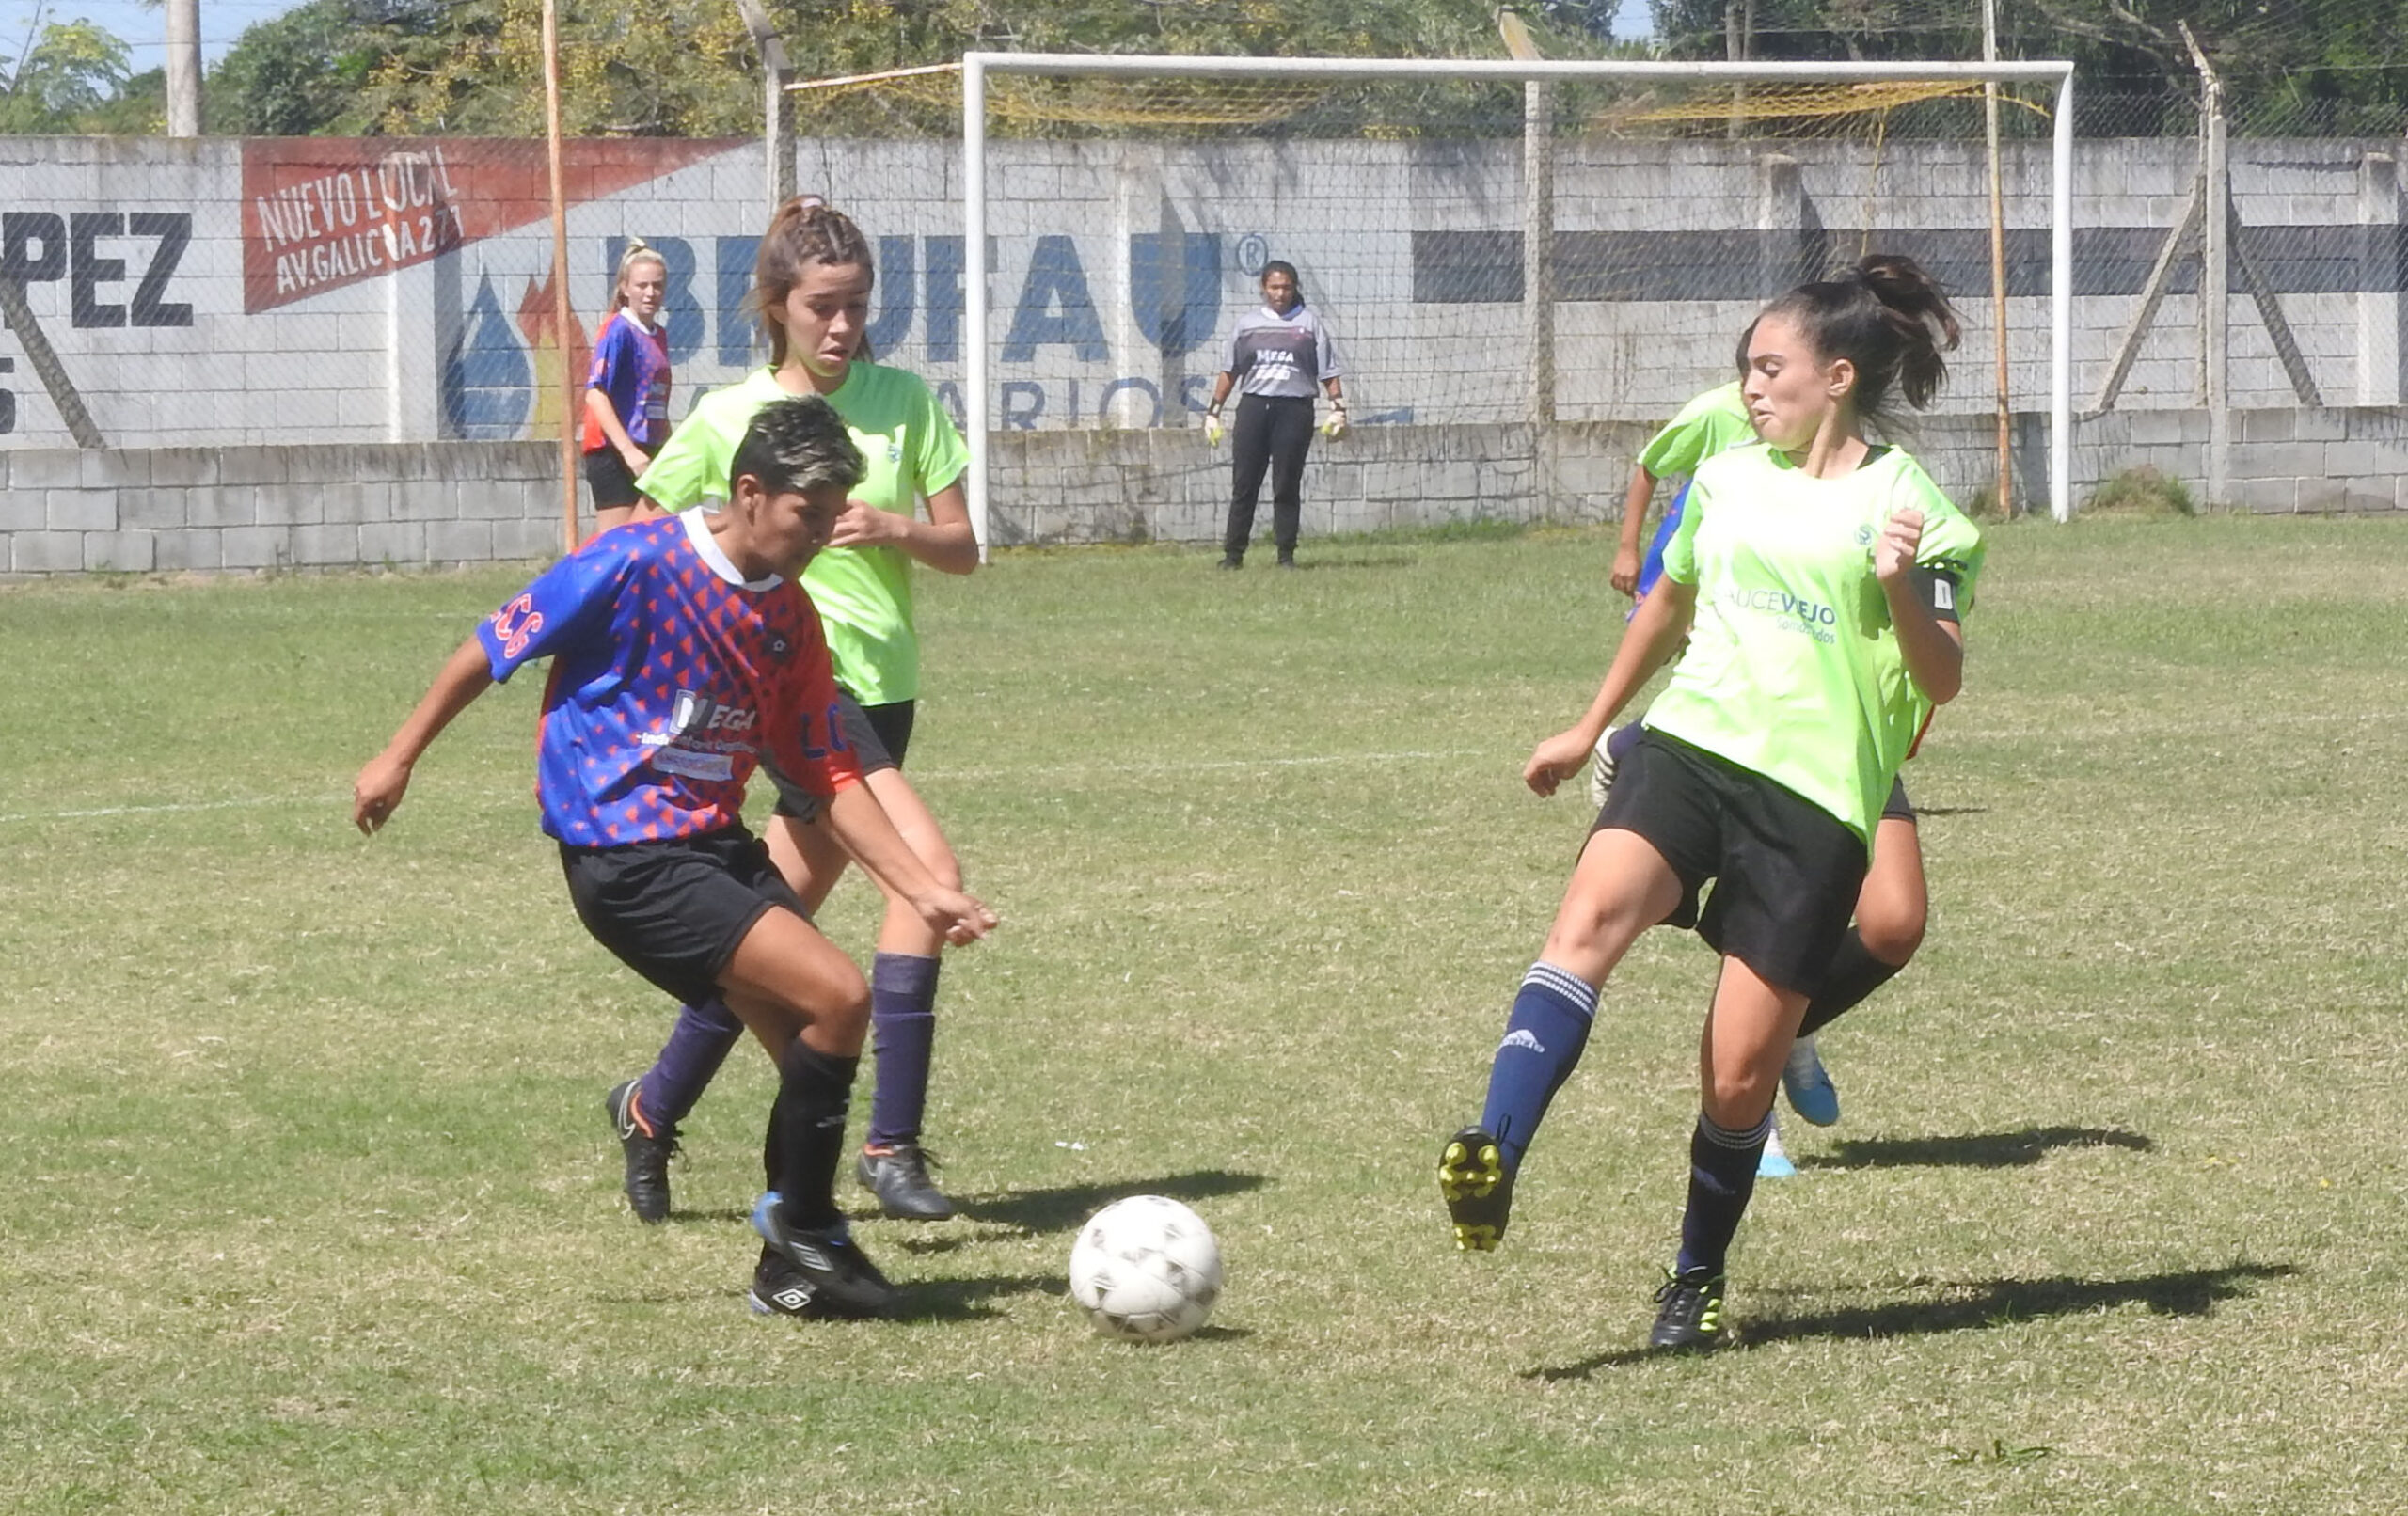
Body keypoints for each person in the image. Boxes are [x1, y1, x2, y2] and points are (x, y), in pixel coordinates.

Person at [1437, 255, 1981, 1352]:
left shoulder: (1916, 512)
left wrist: (1894, 587)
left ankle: (1694, 1276)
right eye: (1744, 369)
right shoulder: (1727, 476)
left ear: (1836, 376)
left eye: (1768, 368)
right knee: (1585, 926)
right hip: (1690, 746)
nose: (1749, 387)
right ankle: (1491, 1152)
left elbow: (1942, 677)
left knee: (1736, 1074)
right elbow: (1667, 604)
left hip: (1816, 802)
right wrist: (1588, 726)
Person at [353, 397, 997, 1319]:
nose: (820, 535)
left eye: (831, 517)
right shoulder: (633, 563)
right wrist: (399, 755)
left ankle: (790, 1267)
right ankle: (810, 1236)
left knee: (811, 1038)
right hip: (623, 854)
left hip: (706, 846)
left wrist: (923, 889)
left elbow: (828, 773)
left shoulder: (790, 622)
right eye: (805, 515)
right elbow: (494, 644)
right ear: (747, 491)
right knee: (839, 996)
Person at [601, 197, 983, 1226]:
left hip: (884, 690)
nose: (843, 326)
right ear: (776, 307)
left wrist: (895, 525)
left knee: (774, 936)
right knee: (928, 882)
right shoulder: (731, 418)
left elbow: (965, 548)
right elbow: (647, 532)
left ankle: (649, 1105)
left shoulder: (906, 400)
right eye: (822, 306)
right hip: (795, 692)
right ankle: (888, 1146)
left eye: (857, 305)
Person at [1592, 374, 1936, 1176]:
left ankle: (1793, 1030)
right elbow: (1660, 517)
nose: (1763, 390)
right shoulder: (1721, 433)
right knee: (1760, 935)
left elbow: (1908, 624)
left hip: (1838, 732)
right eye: (1760, 367)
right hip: (1738, 734)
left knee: (1894, 923)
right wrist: (1631, 553)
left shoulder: (1880, 478)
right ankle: (1754, 1109)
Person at [1204, 261, 1346, 569]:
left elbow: (1328, 371)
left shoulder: (1309, 324)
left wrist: (1338, 407)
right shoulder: (1247, 325)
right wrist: (1213, 411)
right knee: (1245, 483)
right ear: (1263, 288)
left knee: (1286, 483)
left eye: (1286, 287)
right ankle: (1233, 555)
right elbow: (1230, 370)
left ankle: (1285, 555)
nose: (1280, 293)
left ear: (1294, 288)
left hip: (1294, 409)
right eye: (1274, 287)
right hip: (1255, 407)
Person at [581, 240, 673, 536]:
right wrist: (628, 451)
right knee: (616, 549)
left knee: (651, 541)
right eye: (642, 285)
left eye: (657, 286)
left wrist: (668, 445)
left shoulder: (659, 335)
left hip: (650, 449)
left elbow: (654, 400)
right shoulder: (618, 330)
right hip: (614, 452)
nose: (650, 293)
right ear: (625, 288)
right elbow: (595, 393)